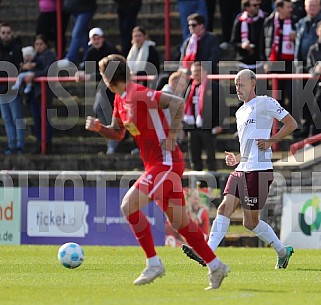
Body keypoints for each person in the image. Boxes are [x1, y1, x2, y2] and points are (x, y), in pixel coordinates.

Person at [85, 54, 229, 290]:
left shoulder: (139, 94)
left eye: (102, 75)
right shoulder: (121, 100)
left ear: (109, 77)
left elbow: (177, 103)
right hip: (155, 165)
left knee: (127, 206)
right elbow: (119, 134)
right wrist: (99, 128)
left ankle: (153, 262)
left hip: (166, 162)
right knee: (180, 222)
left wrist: (172, 136)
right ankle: (216, 266)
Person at [182, 69, 297, 270]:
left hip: (259, 170)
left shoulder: (265, 102)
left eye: (241, 84)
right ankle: (208, 253)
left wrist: (272, 141)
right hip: (242, 168)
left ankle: (282, 251)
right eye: (235, 85)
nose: (238, 88)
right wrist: (237, 157)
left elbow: (291, 123)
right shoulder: (239, 111)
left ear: (253, 84)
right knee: (223, 207)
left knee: (250, 223)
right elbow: (247, 146)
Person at [75, 27, 120, 154]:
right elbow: (85, 66)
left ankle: (113, 141)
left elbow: (111, 73)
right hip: (104, 88)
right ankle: (112, 140)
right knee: (100, 109)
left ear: (103, 38)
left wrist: (90, 76)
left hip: (116, 87)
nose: (96, 41)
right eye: (94, 38)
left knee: (113, 113)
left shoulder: (110, 50)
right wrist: (81, 72)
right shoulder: (91, 52)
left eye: (98, 38)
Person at [183, 61, 224, 171]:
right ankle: (198, 185)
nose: (196, 74)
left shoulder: (214, 87)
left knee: (210, 156)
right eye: (193, 72)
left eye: (198, 71)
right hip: (193, 128)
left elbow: (221, 106)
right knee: (194, 157)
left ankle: (213, 184)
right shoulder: (190, 88)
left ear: (205, 72)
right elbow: (185, 107)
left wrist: (219, 124)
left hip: (208, 127)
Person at [22, 35, 57, 153]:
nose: (38, 46)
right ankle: (39, 144)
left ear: (46, 44)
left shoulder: (50, 55)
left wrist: (34, 75)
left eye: (41, 44)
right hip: (33, 92)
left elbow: (49, 71)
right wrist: (25, 68)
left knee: (45, 120)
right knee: (37, 120)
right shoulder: (34, 57)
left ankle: (46, 145)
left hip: (44, 92)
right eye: (36, 44)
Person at [261, 0, 296, 113]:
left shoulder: (294, 21)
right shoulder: (269, 21)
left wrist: (296, 37)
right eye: (288, 7)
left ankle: (291, 121)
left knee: (291, 93)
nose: (291, 9)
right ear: (279, 8)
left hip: (291, 63)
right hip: (275, 62)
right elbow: (263, 43)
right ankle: (278, 120)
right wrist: (265, 61)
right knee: (276, 93)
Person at [294, 0, 321, 139]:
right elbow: (298, 44)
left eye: (315, 5)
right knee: (303, 99)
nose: (312, 8)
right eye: (309, 5)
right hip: (303, 66)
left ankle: (313, 132)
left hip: (316, 66)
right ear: (304, 7)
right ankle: (305, 128)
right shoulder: (301, 23)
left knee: (315, 101)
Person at [0, 22, 25, 155]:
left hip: (13, 89)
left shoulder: (16, 48)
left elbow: (19, 67)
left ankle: (20, 144)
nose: (6, 36)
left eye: (8, 33)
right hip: (1, 90)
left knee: (17, 118)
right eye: (3, 33)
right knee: (7, 119)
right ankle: (11, 145)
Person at [58, 0, 97, 67]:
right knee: (83, 35)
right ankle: (87, 60)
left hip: (85, 7)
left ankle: (70, 58)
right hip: (75, 7)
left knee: (77, 33)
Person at [230, 0, 266, 71]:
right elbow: (233, 42)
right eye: (255, 5)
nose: (258, 7)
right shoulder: (239, 20)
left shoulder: (264, 19)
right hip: (243, 62)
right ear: (247, 7)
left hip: (260, 61)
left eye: (258, 5)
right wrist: (242, 45)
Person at [305, 20, 321, 140]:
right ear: (317, 31)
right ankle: (312, 140)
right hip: (318, 87)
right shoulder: (313, 49)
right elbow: (308, 69)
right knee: (316, 114)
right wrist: (316, 69)